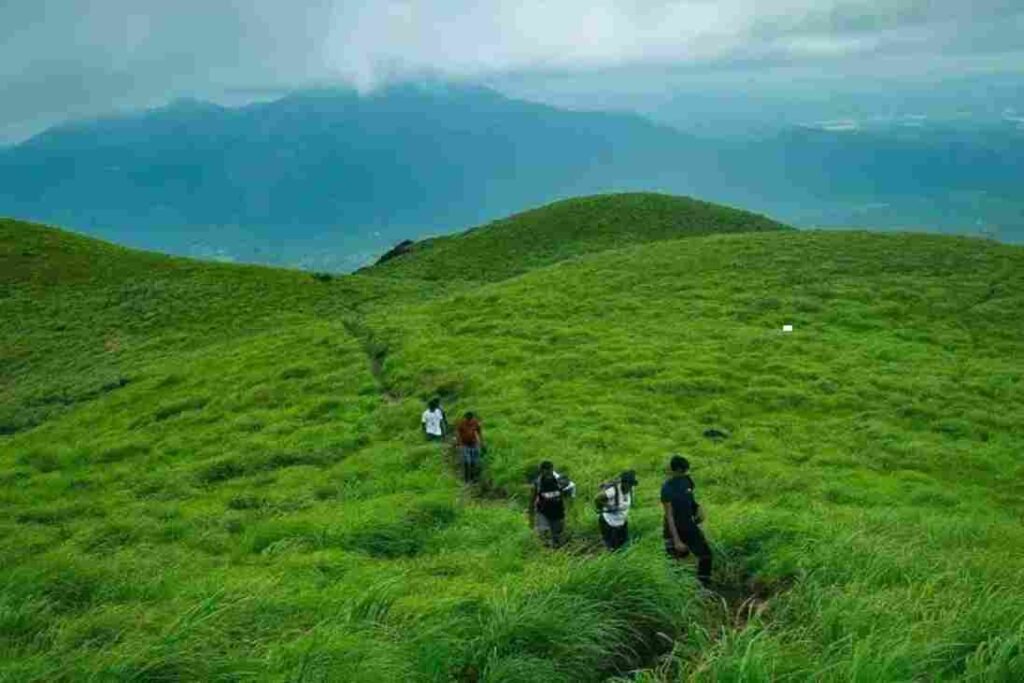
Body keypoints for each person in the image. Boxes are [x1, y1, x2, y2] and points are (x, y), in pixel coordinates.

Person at [661, 454, 712, 587]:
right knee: (674, 565)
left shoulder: (687, 480)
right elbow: (669, 516)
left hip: (689, 526)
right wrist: (677, 540)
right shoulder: (667, 488)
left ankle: (704, 588)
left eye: (686, 470)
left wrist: (699, 510)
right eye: (682, 470)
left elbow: (691, 500)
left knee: (706, 556)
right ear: (676, 470)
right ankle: (675, 593)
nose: (685, 473)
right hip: (673, 529)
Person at [530, 461, 575, 547]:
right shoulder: (538, 483)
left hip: (558, 513)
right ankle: (546, 553)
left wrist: (569, 509)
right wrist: (531, 517)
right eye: (546, 470)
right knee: (544, 535)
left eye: (550, 470)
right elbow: (532, 500)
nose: (548, 473)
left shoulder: (560, 481)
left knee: (557, 537)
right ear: (541, 471)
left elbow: (569, 494)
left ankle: (556, 553)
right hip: (543, 512)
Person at [594, 470, 637, 551]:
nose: (630, 486)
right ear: (623, 483)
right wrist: (609, 507)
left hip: (621, 523)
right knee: (612, 549)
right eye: (628, 484)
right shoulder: (613, 491)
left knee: (623, 547)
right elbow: (597, 499)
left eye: (631, 484)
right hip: (609, 523)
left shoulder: (630, 490)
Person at [455, 411, 483, 483]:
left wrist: (482, 442)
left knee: (474, 462)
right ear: (465, 417)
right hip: (465, 445)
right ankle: (466, 478)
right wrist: (458, 443)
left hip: (474, 444)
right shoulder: (461, 423)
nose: (469, 420)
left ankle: (473, 478)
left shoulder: (475, 422)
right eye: (468, 418)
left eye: (470, 418)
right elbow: (458, 433)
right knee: (467, 462)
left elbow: (479, 432)